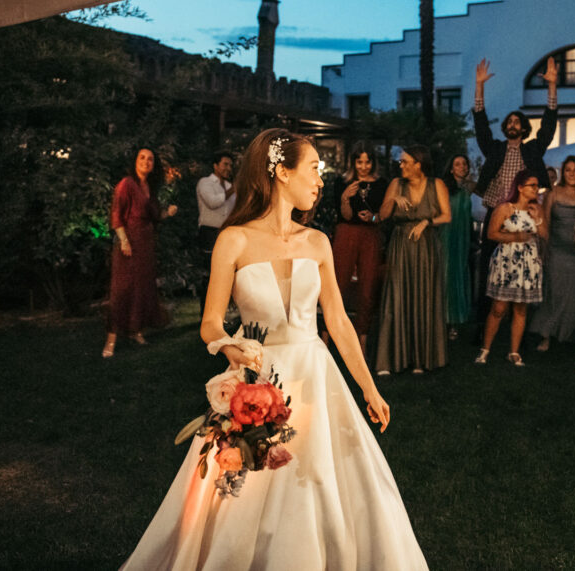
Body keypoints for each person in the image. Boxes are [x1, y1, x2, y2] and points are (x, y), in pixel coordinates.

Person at [121, 129, 427, 569]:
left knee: (321, 480)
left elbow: (338, 322)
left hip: (316, 381)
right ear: (282, 173)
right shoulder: (235, 240)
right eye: (313, 170)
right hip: (256, 381)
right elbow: (210, 322)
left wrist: (369, 390)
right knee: (247, 491)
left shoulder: (318, 242)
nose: (320, 181)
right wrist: (229, 348)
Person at [472, 57, 558, 320]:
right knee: (487, 267)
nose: (512, 124)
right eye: (509, 121)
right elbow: (481, 125)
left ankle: (521, 326)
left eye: (517, 122)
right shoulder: (495, 149)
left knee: (525, 268)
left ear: (523, 128)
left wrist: (552, 87)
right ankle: (484, 324)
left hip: (525, 216)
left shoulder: (532, 149)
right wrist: (479, 87)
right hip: (496, 213)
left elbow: (548, 126)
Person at [375, 145, 452, 375]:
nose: (401, 165)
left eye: (405, 161)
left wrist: (426, 222)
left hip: (426, 247)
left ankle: (420, 359)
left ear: (418, 164)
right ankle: (390, 360)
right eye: (401, 162)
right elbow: (382, 215)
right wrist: (394, 201)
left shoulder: (436, 184)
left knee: (424, 297)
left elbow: (446, 214)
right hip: (401, 246)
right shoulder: (396, 185)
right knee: (397, 295)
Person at [104, 147, 178, 358]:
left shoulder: (149, 188)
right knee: (122, 290)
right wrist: (124, 241)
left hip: (146, 244)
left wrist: (168, 213)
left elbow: (155, 217)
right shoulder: (126, 184)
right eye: (142, 158)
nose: (146, 161)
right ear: (135, 161)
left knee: (142, 290)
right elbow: (117, 214)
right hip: (128, 243)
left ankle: (136, 331)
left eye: (150, 159)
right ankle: (111, 338)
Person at [475, 170, 547, 366]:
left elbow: (545, 235)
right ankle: (485, 349)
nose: (536, 189)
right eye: (532, 185)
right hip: (507, 262)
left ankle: (513, 352)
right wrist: (516, 237)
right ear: (520, 187)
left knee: (521, 309)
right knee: (499, 307)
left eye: (536, 185)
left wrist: (537, 219)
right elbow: (491, 234)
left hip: (528, 263)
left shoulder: (537, 209)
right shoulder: (505, 208)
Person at [529, 155, 575, 355]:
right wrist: (543, 249)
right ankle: (546, 334)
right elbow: (544, 222)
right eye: (567, 170)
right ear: (562, 173)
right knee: (554, 293)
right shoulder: (553, 193)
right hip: (556, 251)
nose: (571, 174)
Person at [332, 144, 389, 354]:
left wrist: (373, 217)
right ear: (353, 162)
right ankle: (330, 334)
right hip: (347, 232)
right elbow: (345, 215)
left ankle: (361, 337)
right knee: (339, 282)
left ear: (372, 163)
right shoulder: (343, 182)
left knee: (368, 286)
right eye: (359, 162)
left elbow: (383, 214)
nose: (363, 167)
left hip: (370, 235)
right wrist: (345, 197)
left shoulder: (382, 184)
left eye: (367, 162)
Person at [196, 151, 236, 316]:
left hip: (226, 233)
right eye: (225, 164)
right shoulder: (205, 183)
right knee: (209, 275)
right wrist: (233, 189)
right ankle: (205, 314)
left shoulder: (230, 187)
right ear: (215, 165)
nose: (228, 168)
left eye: (230, 165)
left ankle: (221, 313)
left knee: (225, 274)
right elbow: (213, 202)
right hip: (209, 233)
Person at [441, 155, 474, 339]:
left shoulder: (468, 188)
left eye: (464, 164)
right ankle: (443, 319)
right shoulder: (445, 188)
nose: (462, 167)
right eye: (457, 164)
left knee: (459, 275)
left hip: (463, 237)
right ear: (451, 169)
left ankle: (455, 321)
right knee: (446, 275)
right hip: (446, 235)